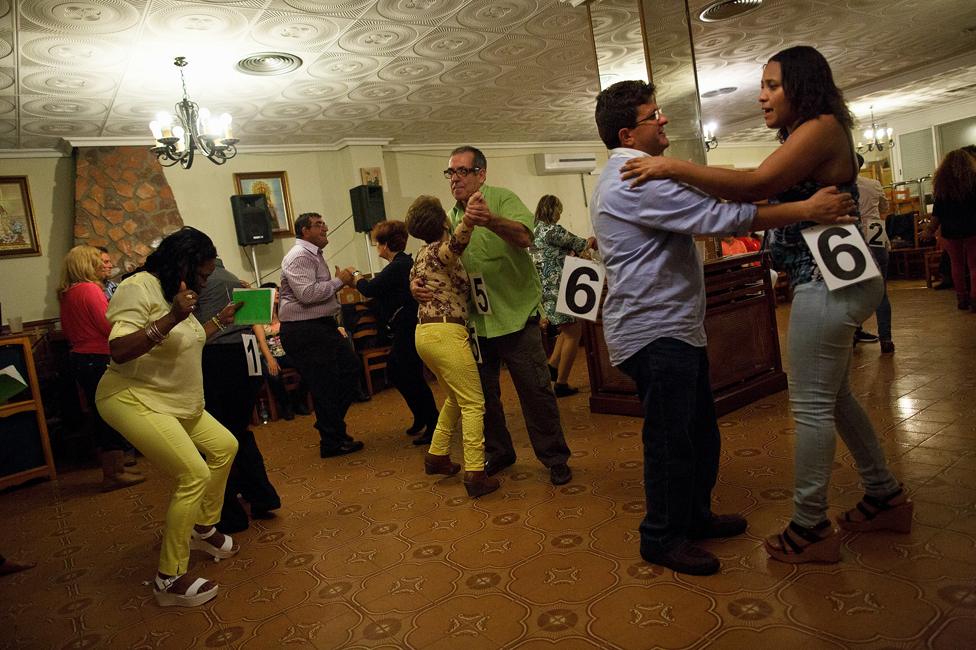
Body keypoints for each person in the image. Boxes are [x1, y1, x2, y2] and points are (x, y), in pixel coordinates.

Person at [619, 46, 912, 566]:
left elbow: (758, 185)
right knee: (836, 397)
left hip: (828, 281)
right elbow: (759, 179)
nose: (761, 95)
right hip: (828, 278)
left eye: (773, 85)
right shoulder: (811, 131)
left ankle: (809, 527)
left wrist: (671, 167)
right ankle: (884, 495)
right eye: (763, 85)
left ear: (803, 85)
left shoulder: (821, 126)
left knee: (813, 406)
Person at [95, 227, 243, 607]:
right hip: (131, 397)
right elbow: (120, 350)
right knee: (192, 473)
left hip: (174, 398)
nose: (207, 280)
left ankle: (201, 527)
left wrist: (220, 321)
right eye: (205, 273)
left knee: (225, 446)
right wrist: (174, 316)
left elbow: (188, 339)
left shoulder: (176, 294)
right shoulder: (139, 287)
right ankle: (169, 578)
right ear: (186, 265)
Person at [415, 145, 573, 486]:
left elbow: (526, 237)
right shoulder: (450, 218)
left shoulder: (501, 198)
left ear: (481, 174)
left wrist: (490, 220)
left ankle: (554, 457)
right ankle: (500, 451)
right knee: (484, 398)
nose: (454, 178)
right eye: (450, 173)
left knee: (536, 392)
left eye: (461, 171)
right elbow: (435, 259)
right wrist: (416, 283)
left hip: (515, 316)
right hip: (476, 325)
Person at [406, 195, 499, 498]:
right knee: (474, 403)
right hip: (447, 333)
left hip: (424, 335)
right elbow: (456, 244)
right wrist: (470, 219)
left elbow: (418, 282)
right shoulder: (439, 251)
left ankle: (437, 455)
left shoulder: (419, 255)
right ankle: (475, 473)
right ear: (444, 221)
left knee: (454, 398)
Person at [197, 259, 281, 534]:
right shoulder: (231, 276)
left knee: (218, 438)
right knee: (238, 430)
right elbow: (254, 320)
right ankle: (261, 496)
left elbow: (197, 333)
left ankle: (229, 513)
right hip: (246, 355)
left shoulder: (200, 282)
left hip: (220, 356)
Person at [342, 220, 439, 444]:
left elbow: (369, 289)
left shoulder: (399, 265)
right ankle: (422, 417)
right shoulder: (401, 263)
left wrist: (354, 274)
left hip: (409, 327)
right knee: (399, 372)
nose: (377, 247)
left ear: (385, 245)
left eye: (378, 243)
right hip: (405, 327)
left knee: (408, 374)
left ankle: (432, 422)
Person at [58, 245, 145, 492]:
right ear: (87, 263)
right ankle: (114, 473)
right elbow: (109, 326)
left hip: (80, 357)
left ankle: (117, 468)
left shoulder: (68, 292)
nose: (103, 264)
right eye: (98, 260)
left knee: (102, 413)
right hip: (97, 358)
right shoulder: (89, 289)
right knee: (110, 414)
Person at [278, 212, 364, 458]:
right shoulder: (298, 257)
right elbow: (307, 294)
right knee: (325, 384)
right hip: (305, 329)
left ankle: (330, 424)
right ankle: (332, 441)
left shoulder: (312, 255)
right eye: (318, 225)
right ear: (304, 231)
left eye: (324, 223)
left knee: (349, 369)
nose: (325, 227)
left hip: (319, 327)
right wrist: (339, 281)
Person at [532, 194, 597, 397]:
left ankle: (552, 366)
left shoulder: (535, 230)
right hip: (560, 286)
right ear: (552, 210)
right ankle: (561, 383)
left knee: (564, 328)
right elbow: (580, 244)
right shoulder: (553, 230)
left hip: (545, 287)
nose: (560, 213)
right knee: (574, 332)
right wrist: (592, 240)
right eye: (559, 209)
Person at [852, 153, 895, 352]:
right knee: (881, 292)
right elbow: (885, 209)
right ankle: (886, 338)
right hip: (876, 235)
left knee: (851, 291)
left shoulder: (838, 189)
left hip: (851, 239)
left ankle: (855, 332)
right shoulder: (874, 184)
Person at [254, 282, 310, 421]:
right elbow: (261, 342)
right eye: (274, 291)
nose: (278, 293)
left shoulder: (284, 313)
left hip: (286, 352)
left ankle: (298, 400)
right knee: (274, 374)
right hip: (268, 354)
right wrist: (271, 360)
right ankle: (285, 405)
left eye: (278, 290)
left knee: (310, 365)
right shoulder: (258, 317)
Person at [932, 148, 976, 312]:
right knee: (974, 266)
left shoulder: (943, 185)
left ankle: (962, 299)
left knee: (956, 264)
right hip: (973, 227)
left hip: (951, 230)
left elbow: (938, 212)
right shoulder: (974, 181)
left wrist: (930, 229)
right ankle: (975, 299)